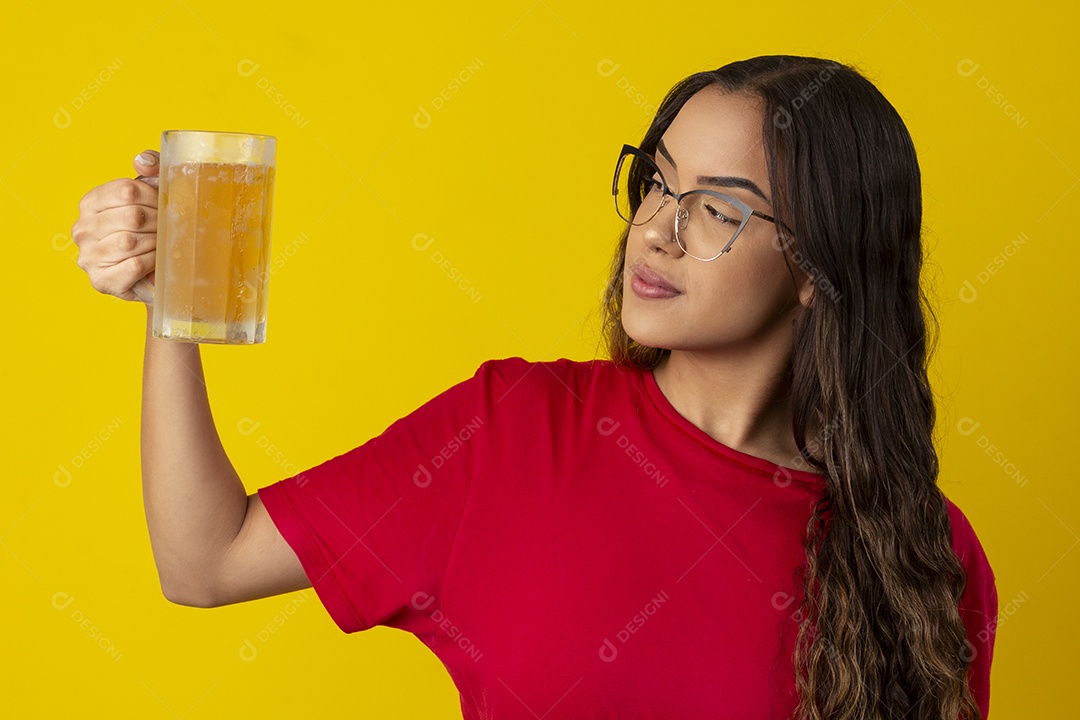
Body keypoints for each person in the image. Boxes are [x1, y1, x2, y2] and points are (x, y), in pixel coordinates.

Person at [71, 54, 997, 719]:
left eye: (717, 208)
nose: (657, 232)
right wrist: (171, 306)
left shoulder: (922, 555)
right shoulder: (511, 430)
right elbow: (206, 560)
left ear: (816, 265)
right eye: (655, 184)